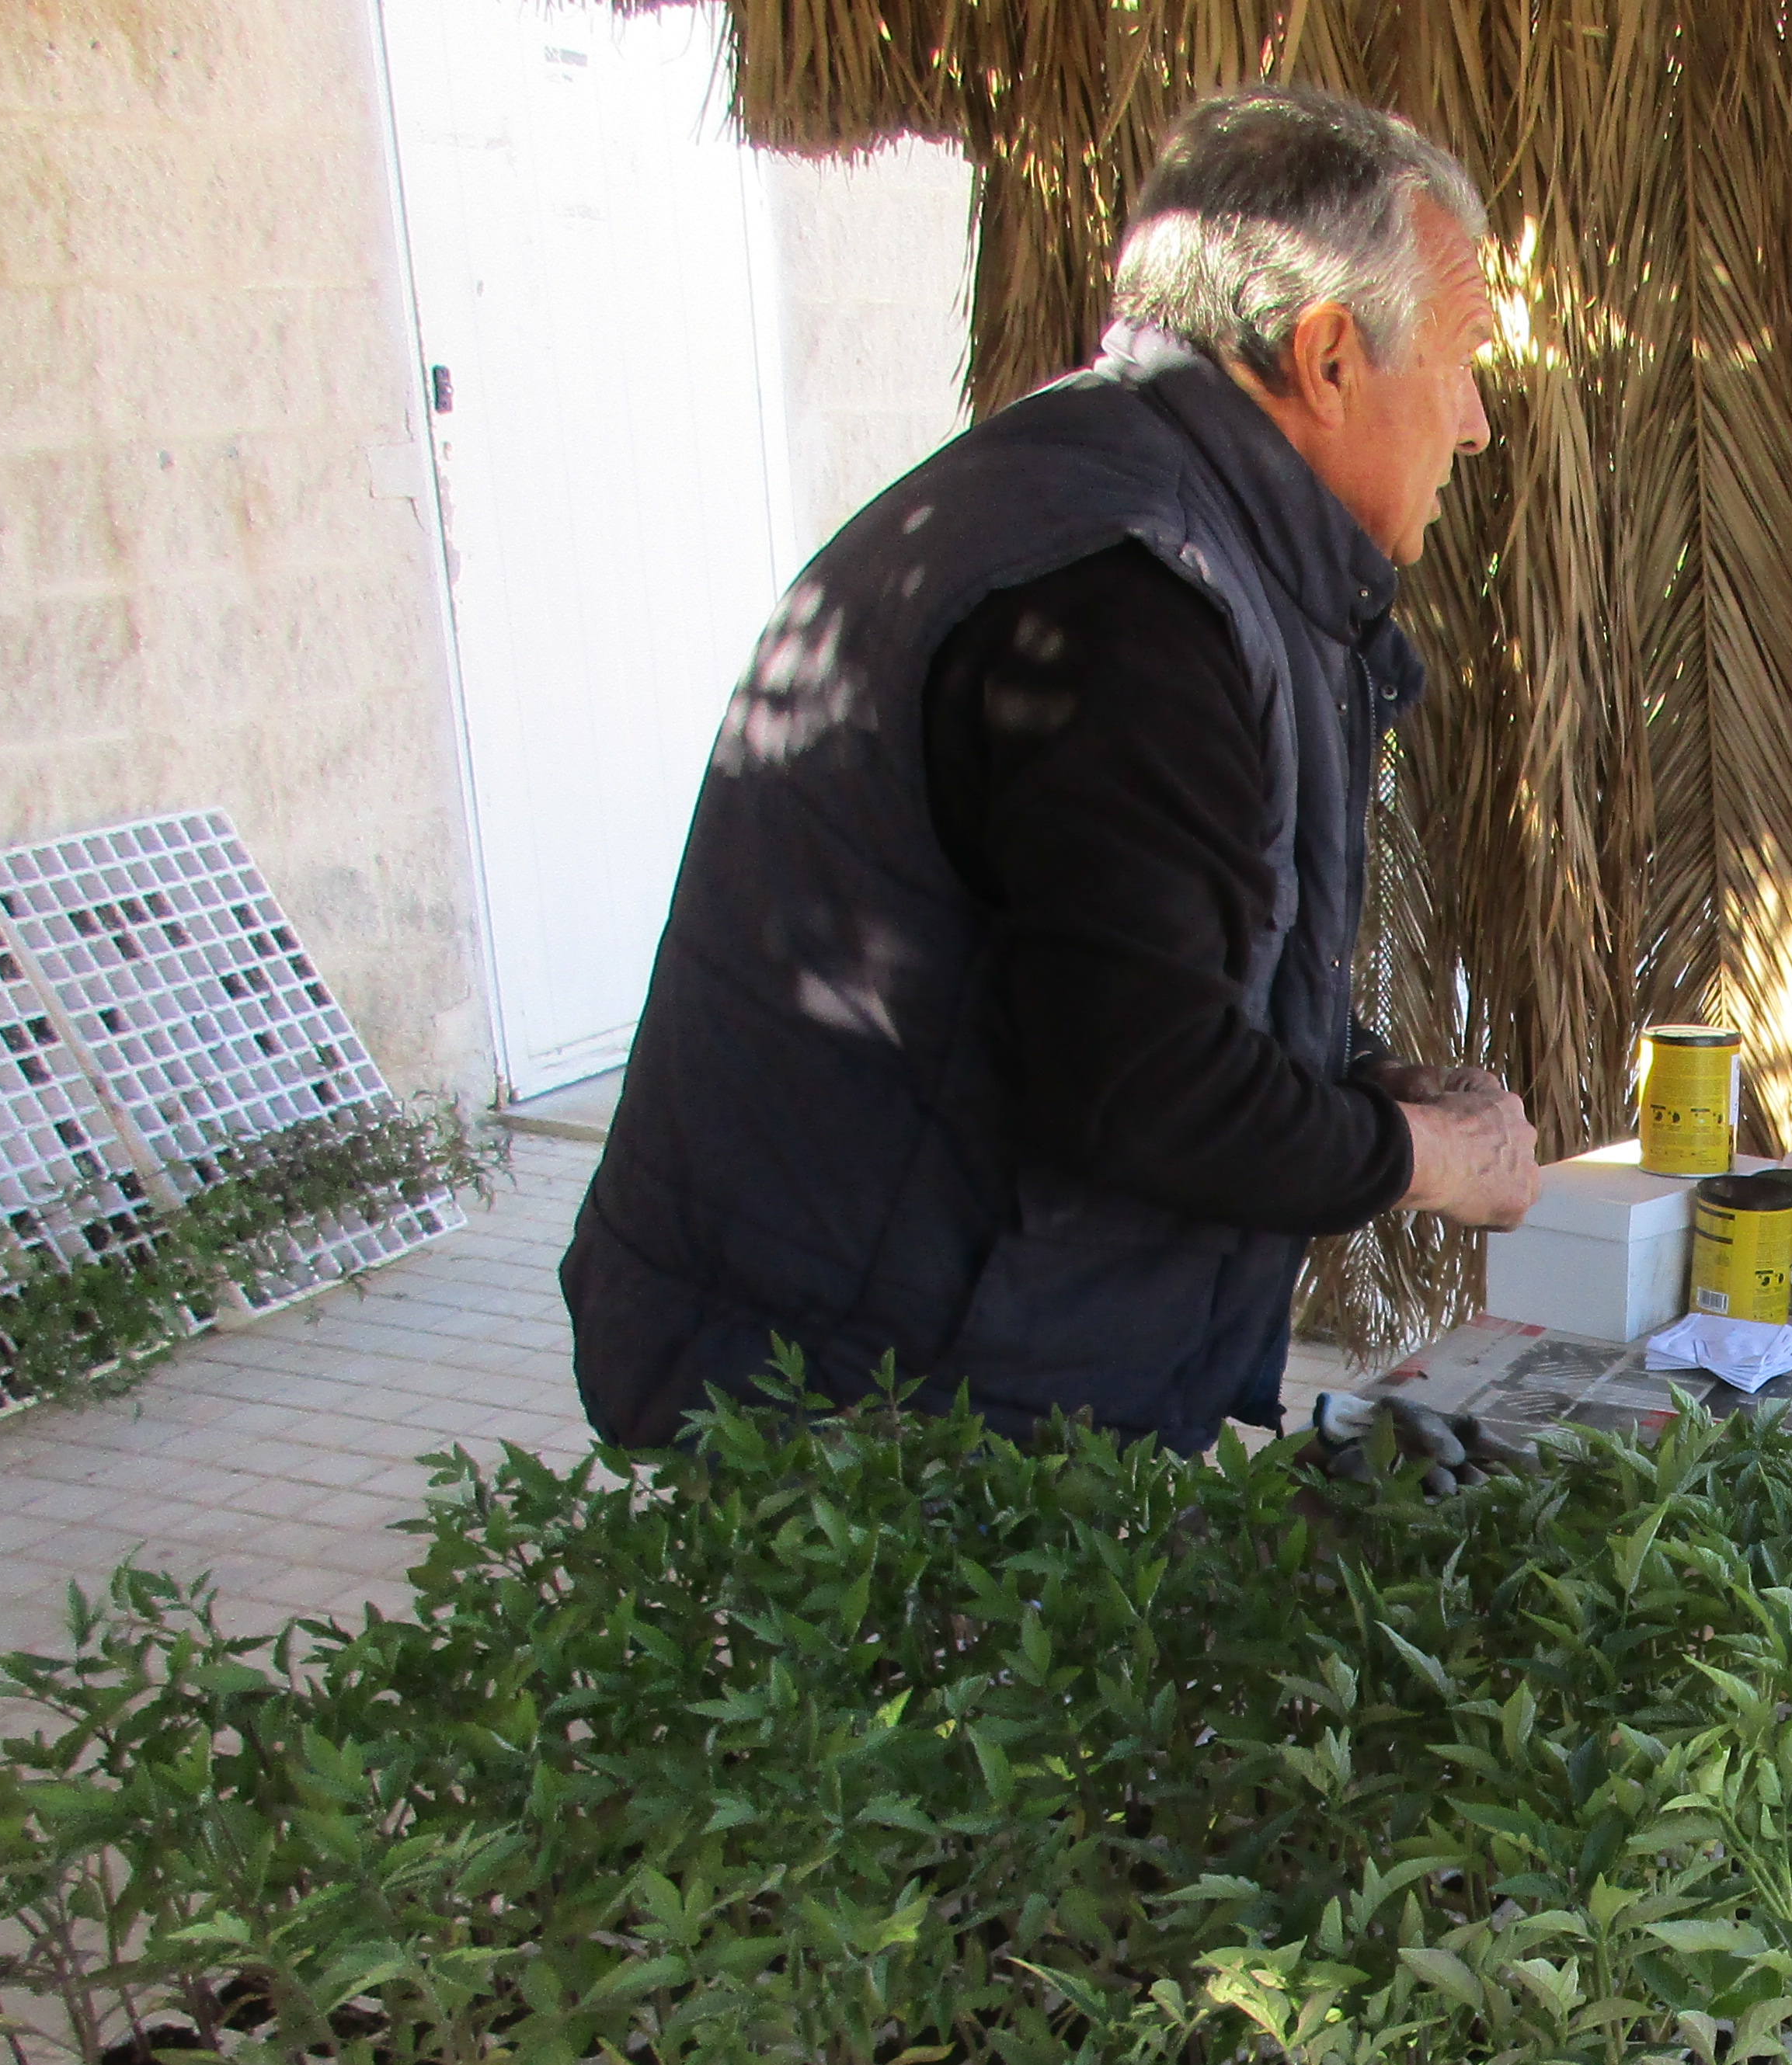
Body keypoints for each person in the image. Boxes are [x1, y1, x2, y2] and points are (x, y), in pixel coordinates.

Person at [563, 86, 1541, 1454]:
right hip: (873, 1389)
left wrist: (1367, 1086)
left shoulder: (1150, 517)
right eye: (1463, 355)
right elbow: (1143, 1086)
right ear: (1327, 357)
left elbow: (1143, 976)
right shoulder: (1127, 598)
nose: (1478, 421)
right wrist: (1426, 1160)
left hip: (920, 1340)